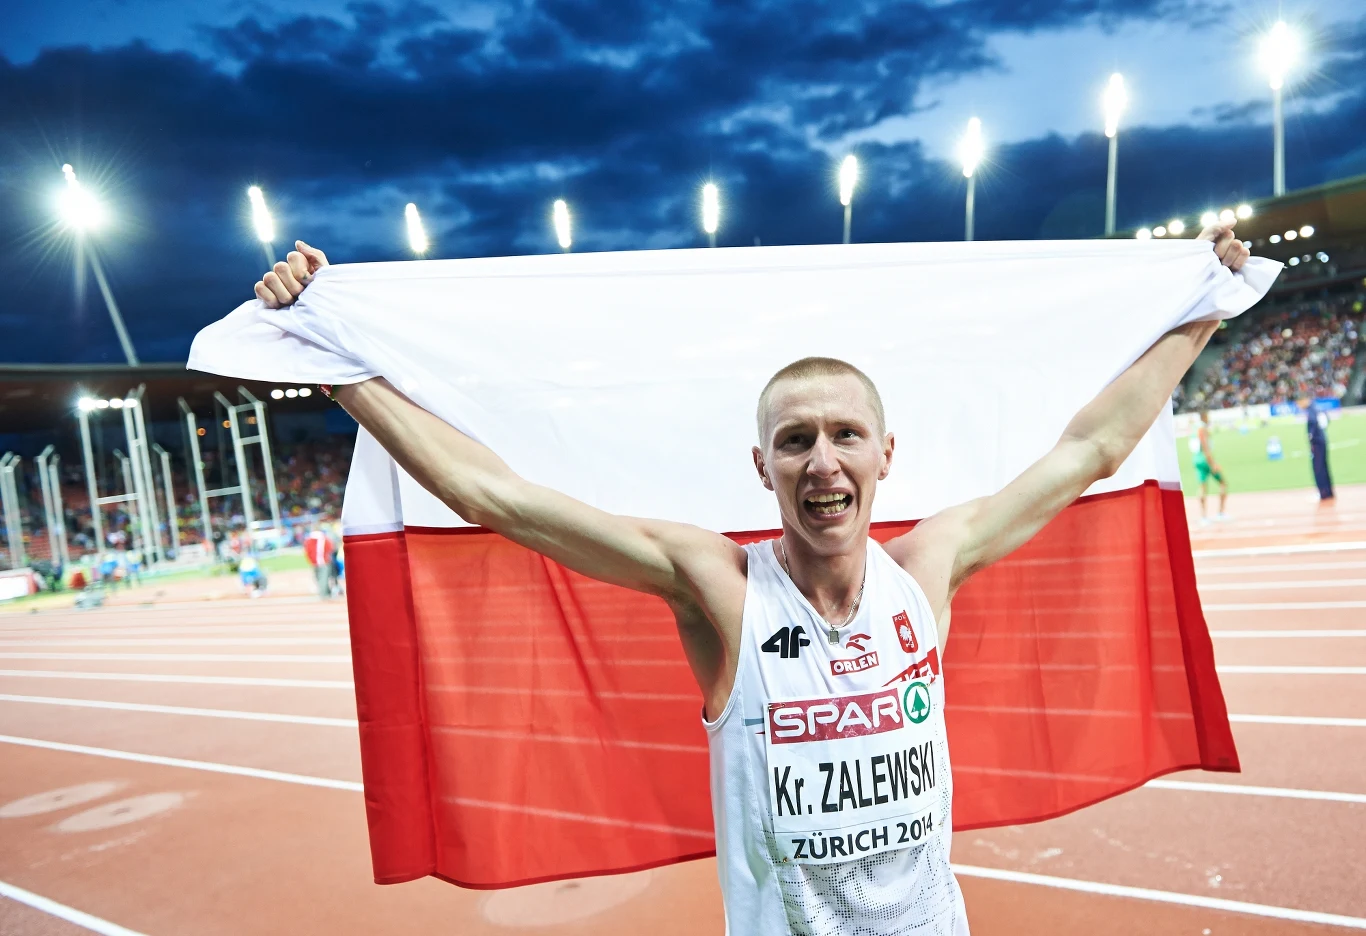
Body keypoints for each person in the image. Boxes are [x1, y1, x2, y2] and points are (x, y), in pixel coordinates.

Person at [253, 226, 1250, 935]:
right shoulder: (718, 588)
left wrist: (1201, 310)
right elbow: (496, 497)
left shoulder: (928, 567)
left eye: (844, 436)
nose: (822, 460)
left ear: (884, 456)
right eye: (795, 441)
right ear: (761, 467)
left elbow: (1090, 447)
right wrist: (336, 360)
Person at [1192, 409, 1229, 522]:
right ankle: (1220, 513)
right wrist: (1213, 464)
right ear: (1204, 416)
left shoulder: (1194, 428)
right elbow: (1205, 447)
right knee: (1223, 483)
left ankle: (1203, 517)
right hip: (1205, 459)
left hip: (1196, 458)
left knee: (1202, 487)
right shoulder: (1202, 428)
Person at [1302, 399, 1336, 501]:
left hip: (1317, 443)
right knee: (1324, 467)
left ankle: (1323, 493)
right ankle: (1328, 491)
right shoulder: (1318, 408)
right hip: (1322, 440)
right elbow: (1327, 420)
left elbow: (1312, 423)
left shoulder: (1311, 410)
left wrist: (1311, 437)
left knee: (1318, 468)